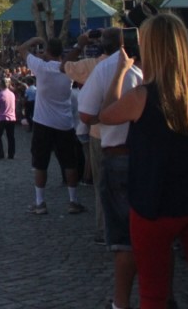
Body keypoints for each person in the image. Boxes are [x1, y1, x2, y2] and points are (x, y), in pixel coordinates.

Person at [100, 14, 188, 309]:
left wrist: (121, 71)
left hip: (155, 203)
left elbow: (106, 113)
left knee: (153, 293)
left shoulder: (141, 96)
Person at [78, 27, 144, 309]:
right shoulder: (163, 65)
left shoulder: (106, 69)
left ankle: (121, 302)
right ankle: (164, 296)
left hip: (119, 154)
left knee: (125, 239)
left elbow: (88, 115)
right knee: (158, 232)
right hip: (158, 157)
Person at [18, 37, 84, 215]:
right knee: (70, 163)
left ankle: (40, 202)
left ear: (47, 52)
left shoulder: (41, 67)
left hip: (43, 122)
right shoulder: (68, 69)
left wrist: (36, 40)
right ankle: (73, 200)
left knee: (40, 163)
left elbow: (22, 49)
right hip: (64, 122)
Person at [0, 78, 17, 159]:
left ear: (0, 85)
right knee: (11, 137)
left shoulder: (0, 94)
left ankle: (1, 153)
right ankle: (11, 154)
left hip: (2, 118)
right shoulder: (12, 94)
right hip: (11, 118)